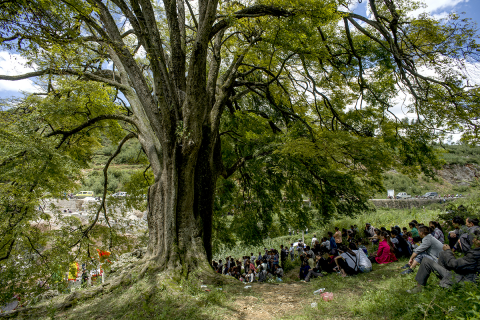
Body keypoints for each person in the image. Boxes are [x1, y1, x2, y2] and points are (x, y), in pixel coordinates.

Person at [408, 230, 480, 293]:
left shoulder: (474, 254)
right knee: (442, 253)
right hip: (464, 276)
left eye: (475, 239)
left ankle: (419, 287)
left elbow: (454, 264)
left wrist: (448, 251)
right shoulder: (476, 252)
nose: (473, 241)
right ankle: (443, 280)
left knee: (426, 260)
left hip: (462, 279)